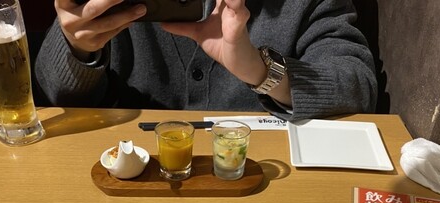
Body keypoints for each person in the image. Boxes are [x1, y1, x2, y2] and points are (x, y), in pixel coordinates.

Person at [34, 0, 377, 120]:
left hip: (260, 182)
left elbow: (357, 84)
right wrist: (76, 46)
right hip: (129, 176)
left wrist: (260, 71)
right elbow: (53, 92)